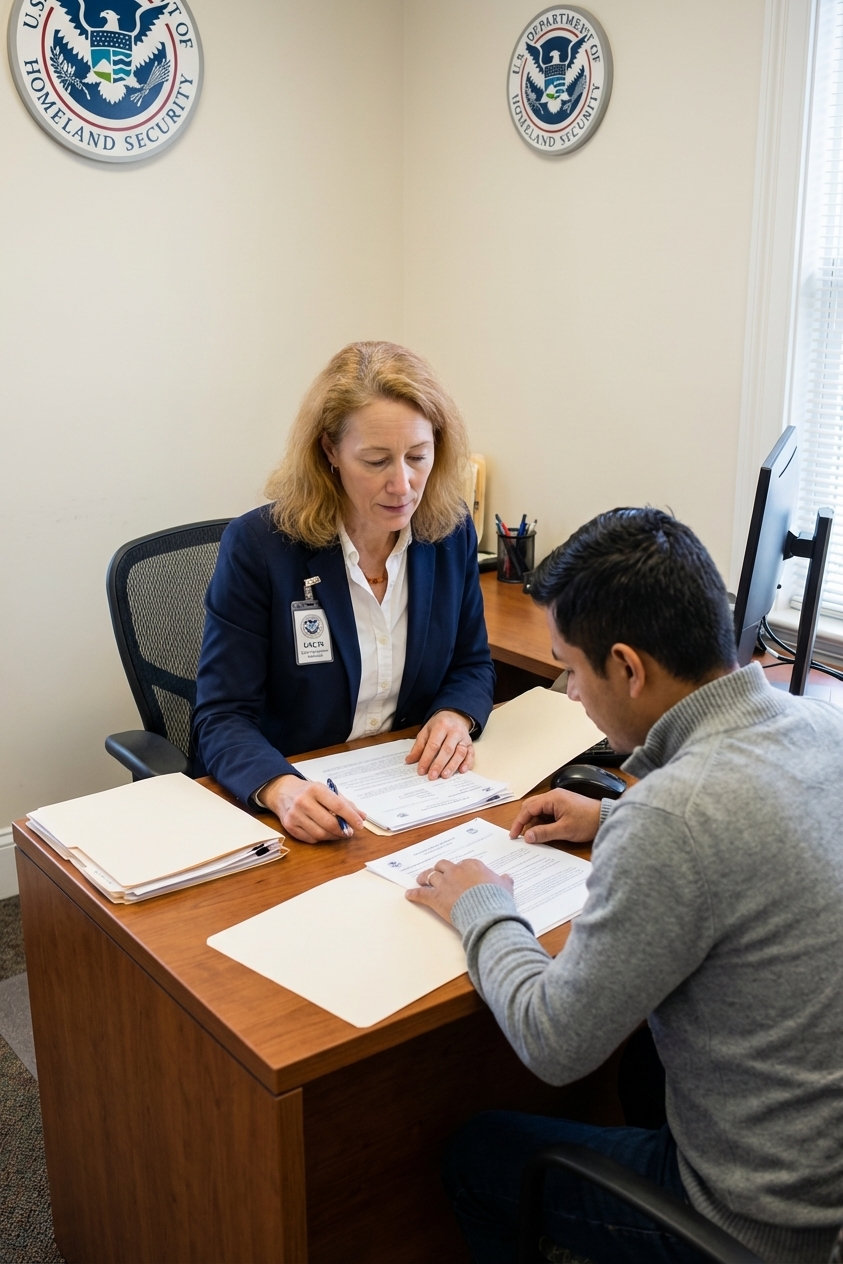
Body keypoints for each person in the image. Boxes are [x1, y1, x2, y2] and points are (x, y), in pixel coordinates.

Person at [406, 507, 843, 1264]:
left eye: (570, 669)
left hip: (761, 1229)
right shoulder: (819, 727)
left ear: (627, 667)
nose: (568, 691)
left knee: (479, 1154)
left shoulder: (671, 817)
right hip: (824, 1184)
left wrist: (482, 906)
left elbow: (553, 1043)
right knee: (641, 1064)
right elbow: (741, 839)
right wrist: (611, 816)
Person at [193, 341, 495, 843]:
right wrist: (279, 787)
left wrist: (455, 714)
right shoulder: (261, 547)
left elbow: (472, 663)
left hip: (410, 796)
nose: (403, 485)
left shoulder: (450, 532)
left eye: (418, 456)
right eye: (376, 461)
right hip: (296, 808)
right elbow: (222, 715)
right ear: (330, 451)